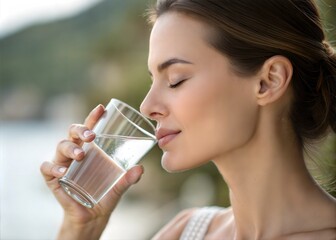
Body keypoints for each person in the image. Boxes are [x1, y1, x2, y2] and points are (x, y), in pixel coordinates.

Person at [40, 0, 336, 239]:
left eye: (176, 79)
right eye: (152, 80)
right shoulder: (187, 231)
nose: (147, 106)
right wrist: (80, 229)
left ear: (268, 81)